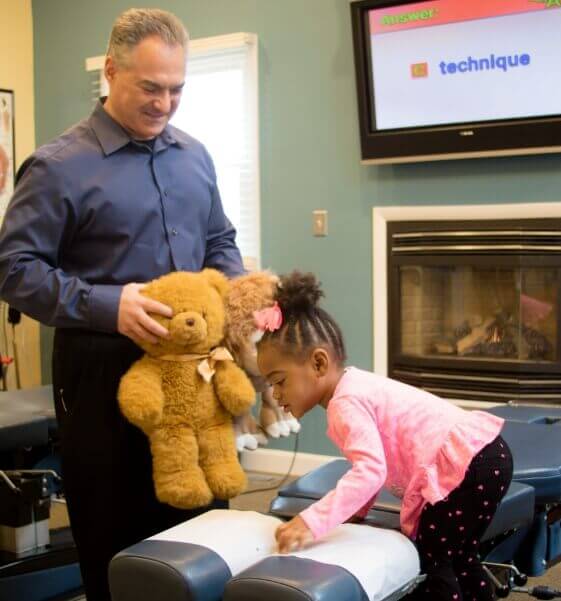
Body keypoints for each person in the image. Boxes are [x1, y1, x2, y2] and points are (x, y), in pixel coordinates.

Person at [0, 8, 244, 601]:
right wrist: (109, 305)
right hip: (103, 373)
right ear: (111, 72)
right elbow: (14, 270)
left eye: (177, 89)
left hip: (196, 372)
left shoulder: (196, 156)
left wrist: (234, 298)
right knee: (118, 534)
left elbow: (220, 239)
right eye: (151, 87)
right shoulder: (59, 166)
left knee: (204, 529)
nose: (165, 103)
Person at [256, 272, 513, 601]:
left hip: (465, 467)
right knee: (459, 556)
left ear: (318, 363)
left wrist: (311, 522)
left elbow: (370, 472)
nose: (276, 395)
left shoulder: (344, 403)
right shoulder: (352, 385)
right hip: (486, 455)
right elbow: (371, 469)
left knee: (433, 561)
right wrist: (356, 515)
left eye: (279, 381)